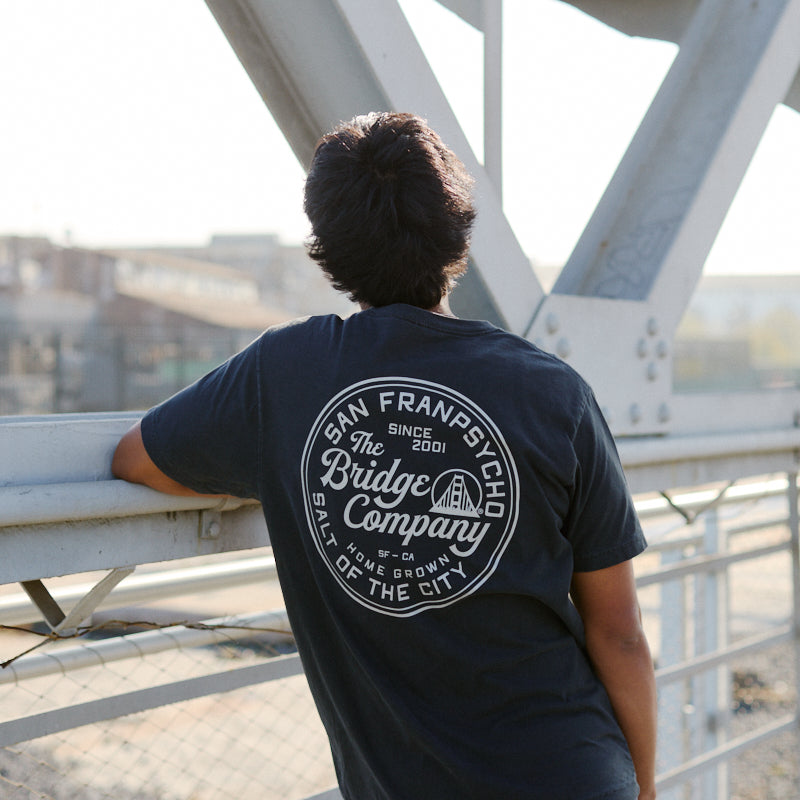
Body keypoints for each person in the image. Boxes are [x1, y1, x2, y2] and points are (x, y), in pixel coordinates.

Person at [112, 111, 657, 800]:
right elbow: (620, 632)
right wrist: (646, 788)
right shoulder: (552, 392)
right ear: (457, 228)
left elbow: (138, 460)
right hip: (575, 774)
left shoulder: (285, 376)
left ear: (328, 247)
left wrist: (286, 469)